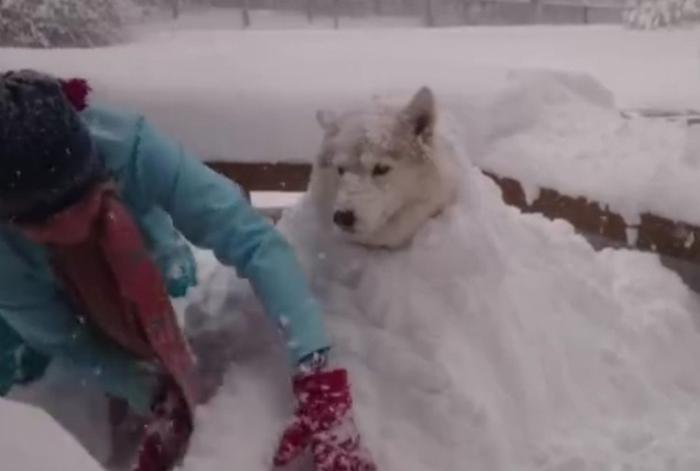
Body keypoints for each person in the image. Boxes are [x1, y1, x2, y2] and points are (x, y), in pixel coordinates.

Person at [0, 69, 376, 471]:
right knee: (30, 387)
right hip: (27, 321)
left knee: (172, 283)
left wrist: (317, 375)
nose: (71, 228)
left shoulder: (128, 146)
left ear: (97, 171)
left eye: (81, 204)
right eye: (45, 224)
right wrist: (147, 390)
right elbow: (65, 340)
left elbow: (251, 239)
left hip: (150, 269)